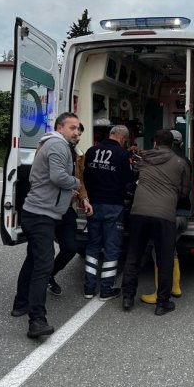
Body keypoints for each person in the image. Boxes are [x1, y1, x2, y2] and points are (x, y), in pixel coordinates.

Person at [12, 112, 82, 338]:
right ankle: (37, 320)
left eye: (79, 129)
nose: (77, 132)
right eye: (72, 128)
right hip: (41, 214)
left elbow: (38, 178)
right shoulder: (58, 146)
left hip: (41, 211)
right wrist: (76, 183)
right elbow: (58, 177)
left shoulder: (49, 144)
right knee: (42, 265)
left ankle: (20, 303)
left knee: (34, 259)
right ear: (60, 127)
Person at [121, 129, 191, 316]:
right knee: (164, 258)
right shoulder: (180, 162)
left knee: (133, 256)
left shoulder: (143, 158)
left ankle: (127, 298)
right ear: (173, 144)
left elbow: (133, 177)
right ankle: (162, 303)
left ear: (154, 143)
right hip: (164, 214)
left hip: (139, 212)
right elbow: (185, 192)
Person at [83, 125, 134, 301]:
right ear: (123, 138)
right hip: (113, 206)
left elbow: (85, 176)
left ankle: (88, 288)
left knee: (92, 246)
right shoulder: (123, 155)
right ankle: (106, 289)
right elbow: (129, 182)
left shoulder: (91, 151)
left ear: (111, 134)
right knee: (112, 249)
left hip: (93, 205)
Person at [140, 129, 190, 304]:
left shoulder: (153, 160)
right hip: (182, 214)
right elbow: (185, 192)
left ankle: (161, 292)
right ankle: (175, 286)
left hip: (167, 213)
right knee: (170, 249)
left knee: (159, 250)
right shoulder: (185, 161)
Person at [48, 123, 92, 296]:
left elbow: (79, 179)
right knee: (41, 252)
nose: (77, 136)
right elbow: (47, 177)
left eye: (79, 133)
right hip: (48, 209)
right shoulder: (49, 148)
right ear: (61, 130)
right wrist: (70, 186)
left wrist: (84, 198)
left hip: (66, 208)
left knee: (70, 248)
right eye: (74, 131)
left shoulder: (79, 155)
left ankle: (50, 274)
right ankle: (29, 293)